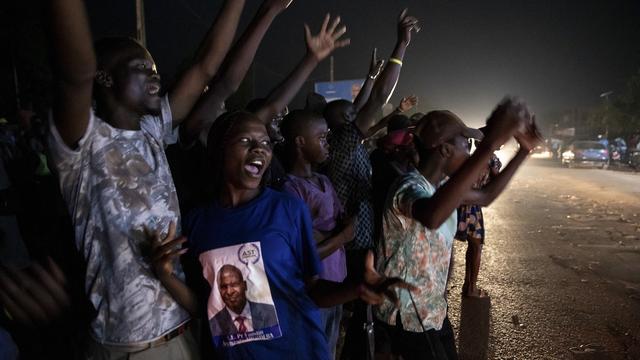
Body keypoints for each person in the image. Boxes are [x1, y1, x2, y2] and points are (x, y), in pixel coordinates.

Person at [46, 0, 248, 356]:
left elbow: (206, 66)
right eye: (141, 67)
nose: (155, 74)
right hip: (130, 345)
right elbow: (75, 72)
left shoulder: (152, 131)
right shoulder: (83, 146)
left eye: (155, 67)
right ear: (105, 77)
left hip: (183, 330)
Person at [182, 111, 414, 359]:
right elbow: (205, 304)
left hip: (298, 350)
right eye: (246, 141)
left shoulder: (287, 209)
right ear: (219, 149)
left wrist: (356, 288)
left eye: (265, 143)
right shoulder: (198, 222)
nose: (259, 149)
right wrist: (163, 273)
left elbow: (311, 288)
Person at [376, 99, 542, 359]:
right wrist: (487, 147)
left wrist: (524, 151)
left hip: (431, 311)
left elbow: (486, 196)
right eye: (466, 145)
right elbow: (431, 216)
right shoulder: (407, 187)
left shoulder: (440, 186)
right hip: (408, 314)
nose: (470, 150)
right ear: (444, 150)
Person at [322, 10, 419, 359]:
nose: (359, 116)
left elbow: (362, 104)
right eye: (350, 116)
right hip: (350, 250)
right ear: (343, 125)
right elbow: (375, 102)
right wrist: (401, 46)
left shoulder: (341, 143)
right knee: (357, 328)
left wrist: (369, 75)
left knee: (355, 325)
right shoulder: (346, 144)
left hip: (353, 245)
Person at [279, 110, 354, 358]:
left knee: (331, 347)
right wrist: (341, 237)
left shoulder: (323, 180)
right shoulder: (291, 189)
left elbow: (338, 224)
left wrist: (329, 235)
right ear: (300, 141)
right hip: (314, 288)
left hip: (336, 281)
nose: (327, 143)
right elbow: (306, 247)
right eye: (321, 137)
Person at [455, 133, 502, 298]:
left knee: (469, 246)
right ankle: (471, 288)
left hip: (459, 202)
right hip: (471, 204)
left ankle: (467, 285)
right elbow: (496, 182)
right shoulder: (491, 159)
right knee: (476, 246)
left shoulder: (469, 156)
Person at [210, 264, 277, 337]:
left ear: (244, 285)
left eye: (234, 284)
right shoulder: (213, 324)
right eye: (223, 287)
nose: (229, 292)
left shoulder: (271, 313)